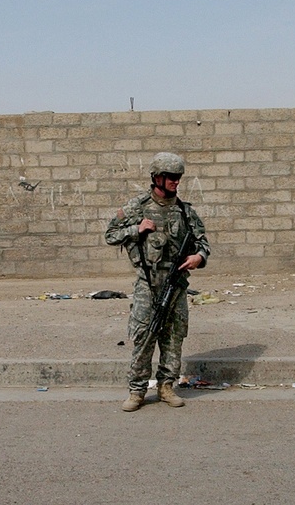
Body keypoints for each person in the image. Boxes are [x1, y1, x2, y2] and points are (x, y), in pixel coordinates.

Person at [104, 152, 210, 412]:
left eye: (178, 177)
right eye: (171, 177)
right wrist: (136, 229)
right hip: (147, 283)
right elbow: (110, 234)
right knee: (144, 335)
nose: (176, 182)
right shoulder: (137, 207)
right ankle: (137, 390)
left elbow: (203, 243)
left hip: (176, 283)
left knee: (174, 336)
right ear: (157, 178)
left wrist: (199, 256)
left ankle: (166, 386)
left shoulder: (185, 212)